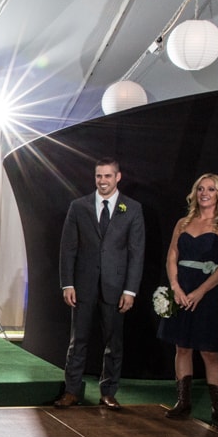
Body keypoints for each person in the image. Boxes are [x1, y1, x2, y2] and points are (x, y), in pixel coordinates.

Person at [55, 157, 146, 410]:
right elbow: (68, 249)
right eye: (99, 176)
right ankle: (72, 391)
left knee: (113, 342)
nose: (102, 181)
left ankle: (108, 392)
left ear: (118, 177)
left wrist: (130, 290)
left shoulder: (133, 208)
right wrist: (67, 283)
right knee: (78, 341)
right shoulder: (78, 206)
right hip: (82, 286)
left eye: (107, 176)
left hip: (116, 287)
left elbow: (136, 253)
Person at [158, 173, 218, 427]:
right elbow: (172, 255)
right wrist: (175, 287)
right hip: (182, 288)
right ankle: (183, 402)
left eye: (211, 189)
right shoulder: (183, 222)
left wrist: (201, 292)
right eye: (201, 188)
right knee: (181, 347)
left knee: (209, 351)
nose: (205, 193)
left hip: (208, 291)